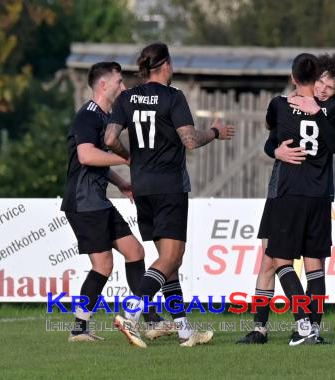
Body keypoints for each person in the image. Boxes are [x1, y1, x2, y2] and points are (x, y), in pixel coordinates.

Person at [104, 42, 235, 348]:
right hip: (169, 186)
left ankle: (185, 331)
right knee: (171, 257)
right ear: (164, 65)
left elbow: (110, 138)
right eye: (172, 63)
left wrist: (130, 157)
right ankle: (130, 314)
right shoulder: (172, 96)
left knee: (169, 262)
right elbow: (189, 140)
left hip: (143, 187)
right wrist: (214, 133)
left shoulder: (126, 97)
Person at [237, 53, 335, 346]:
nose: (324, 88)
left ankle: (308, 327)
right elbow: (271, 141)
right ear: (313, 78)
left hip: (298, 193)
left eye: (331, 85)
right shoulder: (287, 104)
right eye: (321, 81)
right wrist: (275, 152)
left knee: (288, 259)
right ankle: (261, 329)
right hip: (283, 189)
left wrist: (315, 110)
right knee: (269, 259)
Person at [60, 61, 169, 342]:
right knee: (103, 266)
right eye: (119, 82)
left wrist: (121, 183)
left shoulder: (104, 116)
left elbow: (95, 162)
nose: (124, 87)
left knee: (135, 252)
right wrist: (126, 159)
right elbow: (86, 156)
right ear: (104, 85)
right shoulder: (88, 116)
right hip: (83, 202)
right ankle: (79, 329)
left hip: (97, 200)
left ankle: (152, 322)